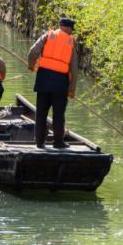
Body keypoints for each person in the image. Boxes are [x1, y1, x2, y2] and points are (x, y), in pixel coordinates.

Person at [28, 17, 79, 149]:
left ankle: (39, 143)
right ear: (67, 28)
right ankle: (58, 143)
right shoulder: (71, 41)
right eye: (71, 29)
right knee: (58, 114)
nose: (71, 32)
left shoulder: (48, 35)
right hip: (60, 83)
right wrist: (72, 89)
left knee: (41, 113)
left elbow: (33, 52)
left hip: (43, 80)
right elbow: (74, 68)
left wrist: (31, 66)